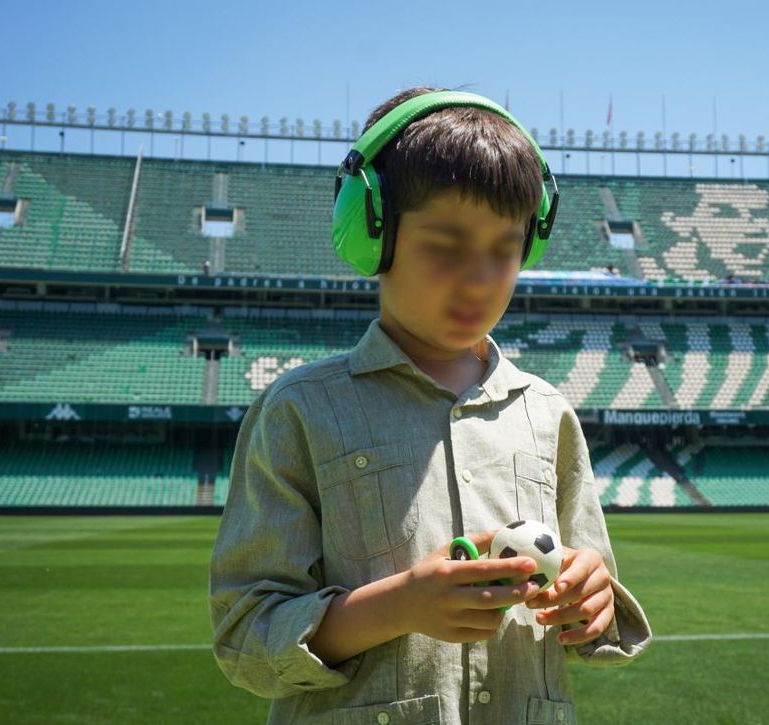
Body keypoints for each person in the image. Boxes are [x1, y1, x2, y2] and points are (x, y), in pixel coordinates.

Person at [208, 86, 652, 724]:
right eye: (446, 244)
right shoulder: (300, 410)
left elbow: (594, 600)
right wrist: (398, 607)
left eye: (506, 248)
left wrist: (593, 600)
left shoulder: (547, 411)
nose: (481, 277)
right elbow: (244, 637)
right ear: (372, 232)